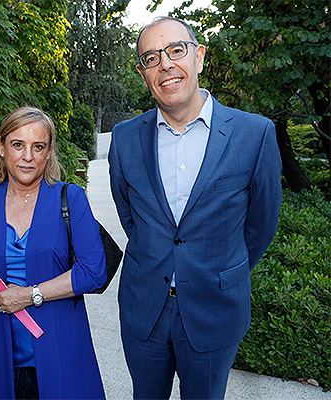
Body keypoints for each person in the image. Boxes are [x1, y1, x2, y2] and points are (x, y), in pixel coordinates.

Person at [109, 16, 283, 400]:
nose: (165, 65)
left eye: (176, 50)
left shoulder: (255, 134)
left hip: (214, 309)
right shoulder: (124, 138)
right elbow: (130, 217)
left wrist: (218, 269)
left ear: (199, 57)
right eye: (151, 58)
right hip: (144, 309)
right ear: (143, 74)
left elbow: (261, 225)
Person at [0, 107, 107, 399]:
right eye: (18, 145)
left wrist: (29, 295)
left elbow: (93, 272)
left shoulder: (70, 199)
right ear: (1, 147)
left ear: (49, 152)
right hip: (3, 345)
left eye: (38, 147)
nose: (28, 156)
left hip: (60, 342)